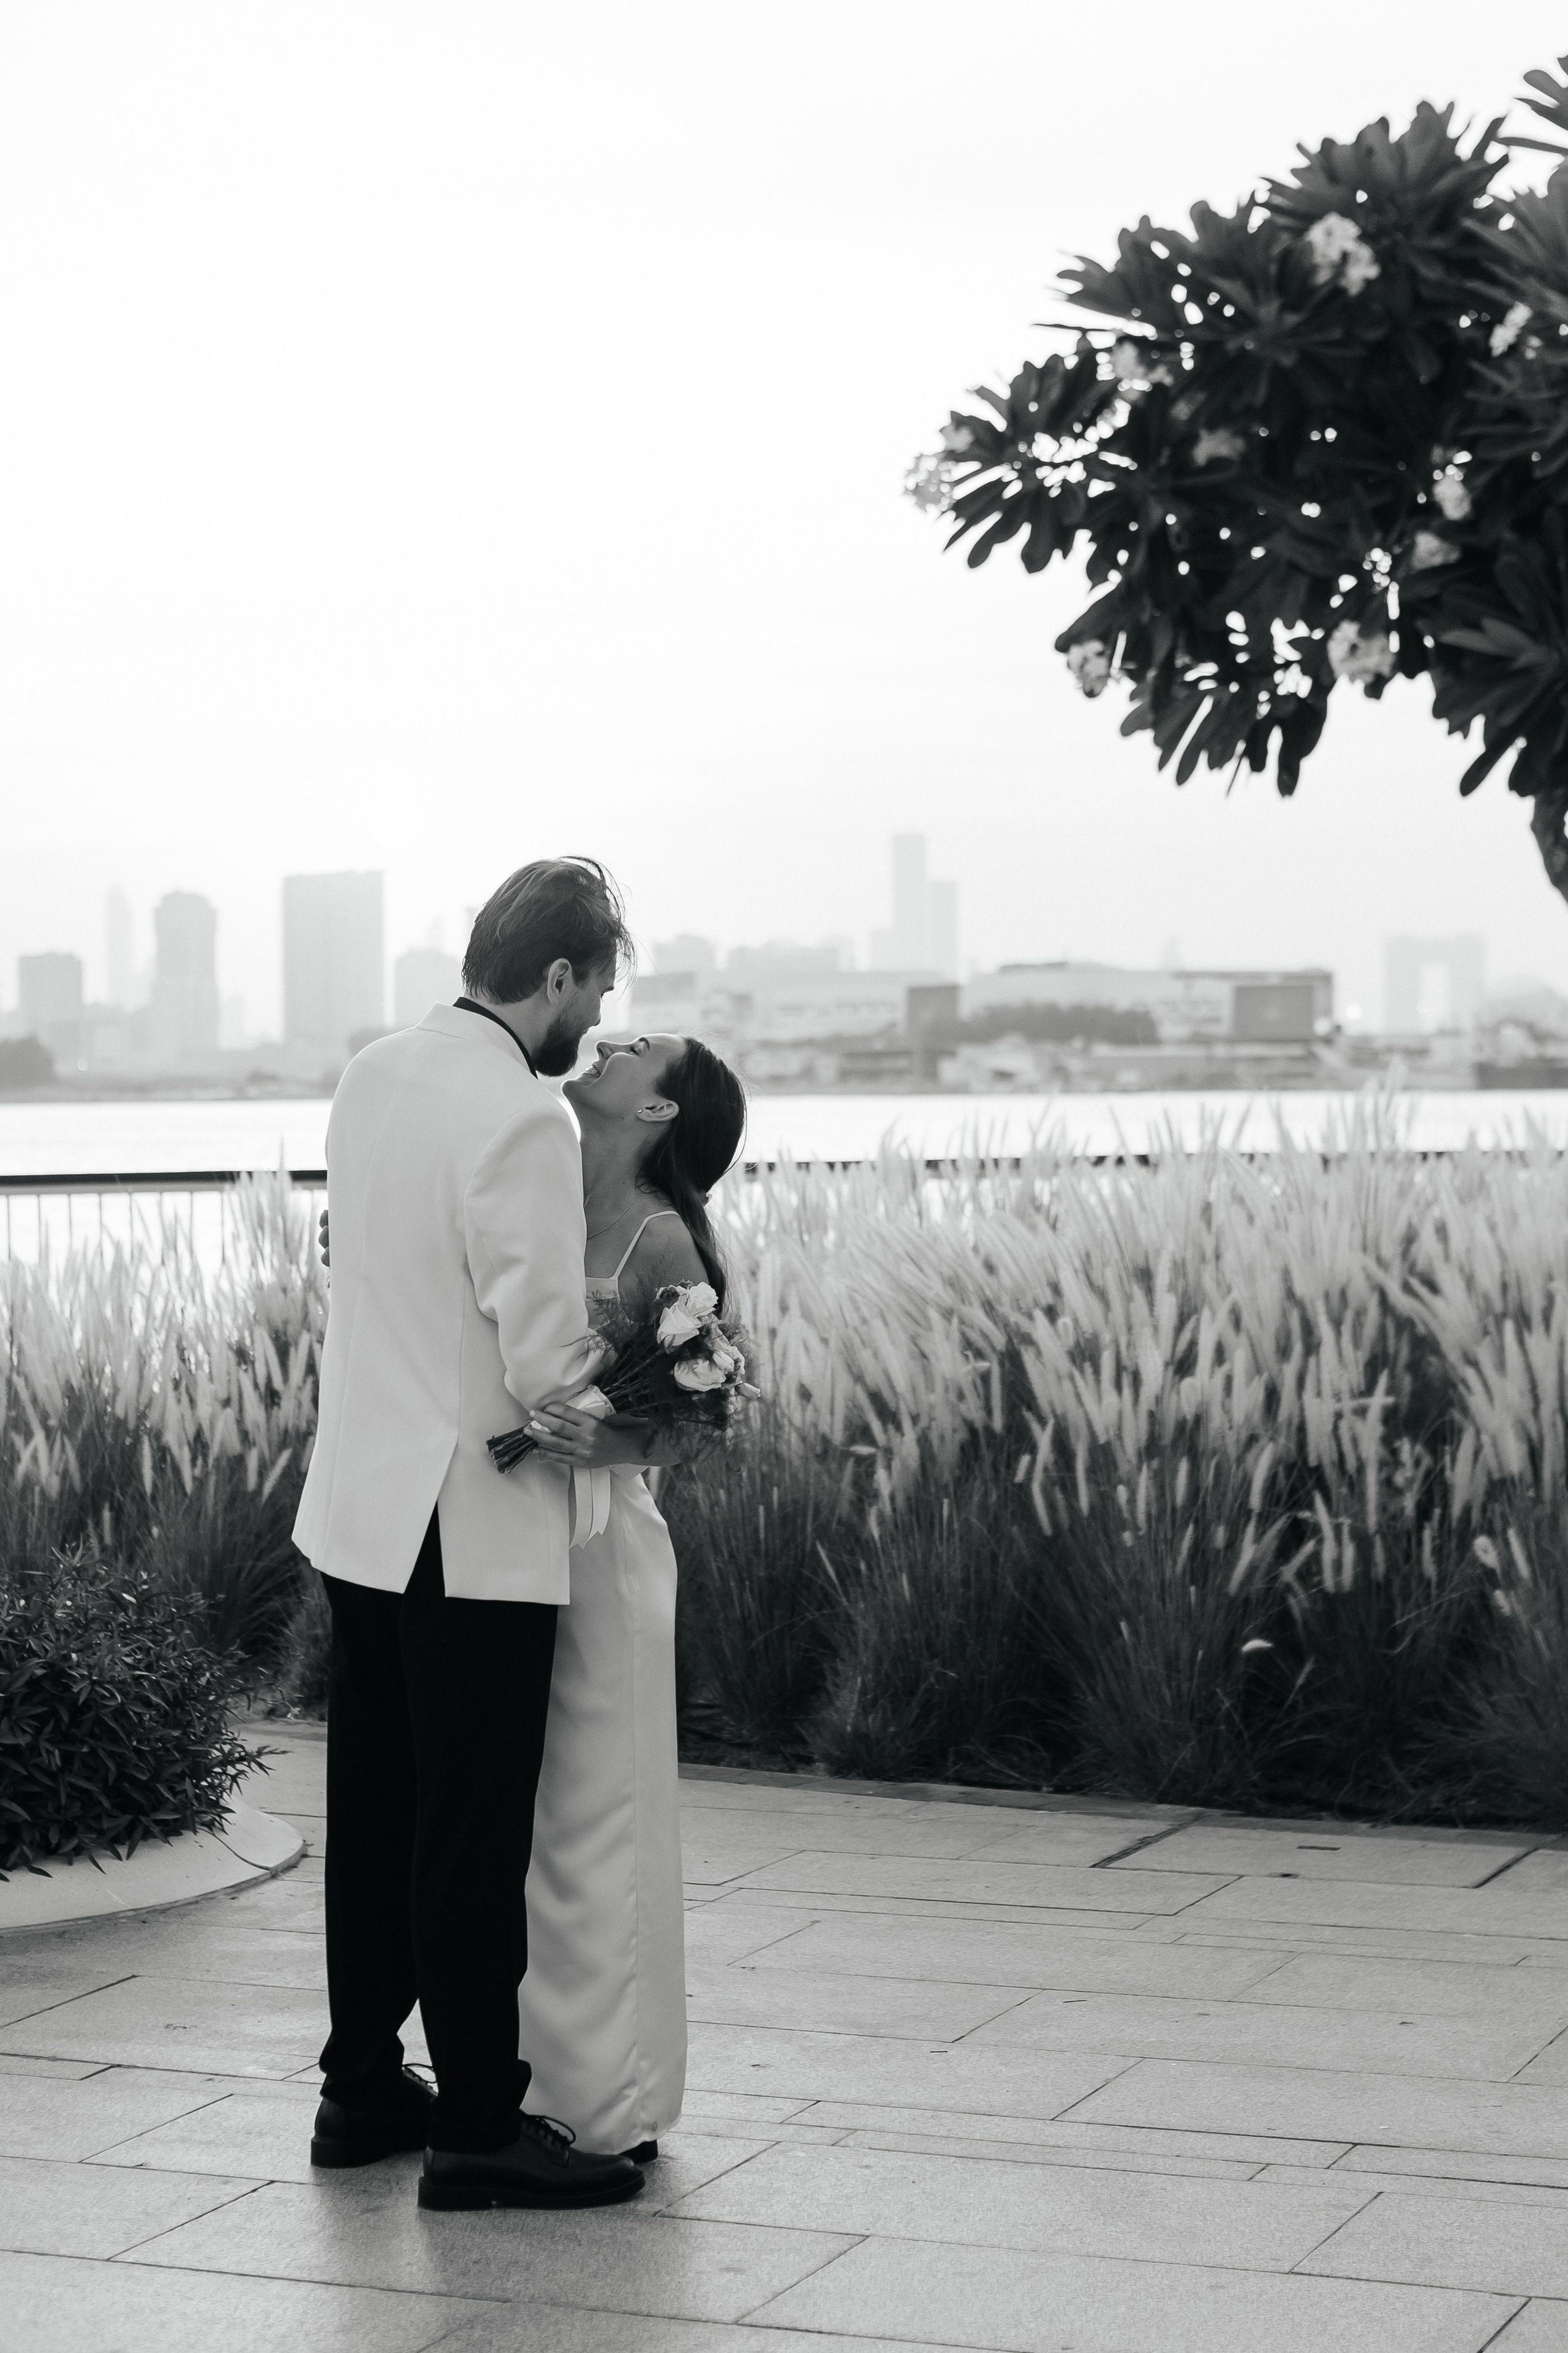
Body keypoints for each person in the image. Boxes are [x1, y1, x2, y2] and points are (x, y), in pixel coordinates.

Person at [293, 856, 647, 2212]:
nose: (596, 1017)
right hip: (465, 1514)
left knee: (376, 1812)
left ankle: (362, 2085)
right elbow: (542, 1341)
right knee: (469, 1827)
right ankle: (481, 2127)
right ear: (553, 975)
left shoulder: (373, 1072)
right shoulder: (516, 1115)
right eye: (596, 984)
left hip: (358, 1510)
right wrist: (639, 1405)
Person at [515, 1029, 747, 2161]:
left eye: (638, 1049)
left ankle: (608, 2095)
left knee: (600, 1817)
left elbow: (705, 1416)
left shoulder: (662, 1241)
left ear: (658, 1112)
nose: (609, 1041)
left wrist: (601, 1442)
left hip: (608, 1554)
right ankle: (520, 2072)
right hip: (518, 1543)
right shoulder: (543, 1181)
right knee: (531, 1821)